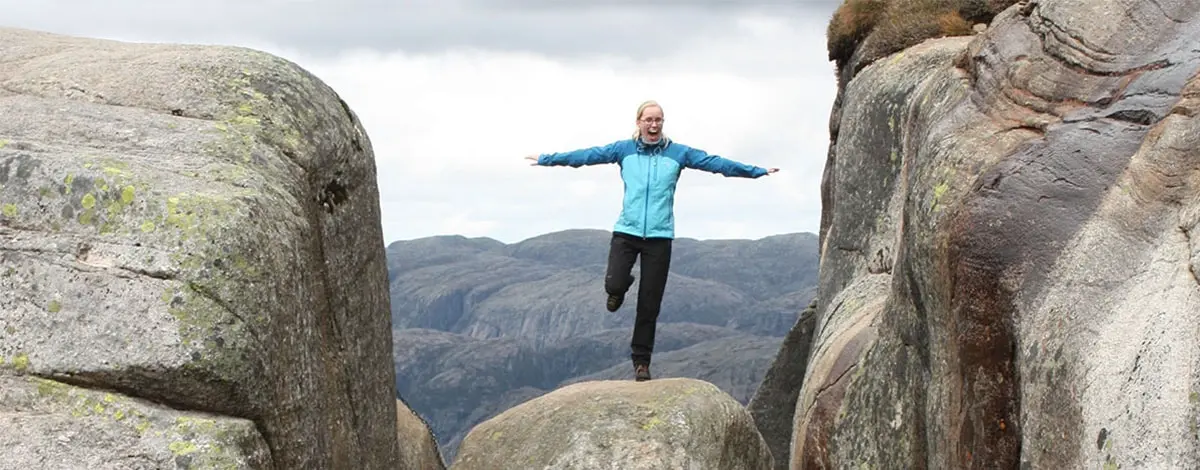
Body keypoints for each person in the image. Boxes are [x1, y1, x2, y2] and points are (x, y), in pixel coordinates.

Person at [523, 100, 779, 382]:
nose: (654, 125)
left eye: (659, 120)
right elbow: (586, 156)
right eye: (649, 120)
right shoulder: (624, 150)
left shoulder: (678, 153)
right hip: (627, 232)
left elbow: (716, 164)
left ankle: (641, 363)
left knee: (649, 304)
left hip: (659, 237)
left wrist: (756, 171)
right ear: (638, 122)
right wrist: (548, 158)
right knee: (614, 283)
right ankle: (619, 289)